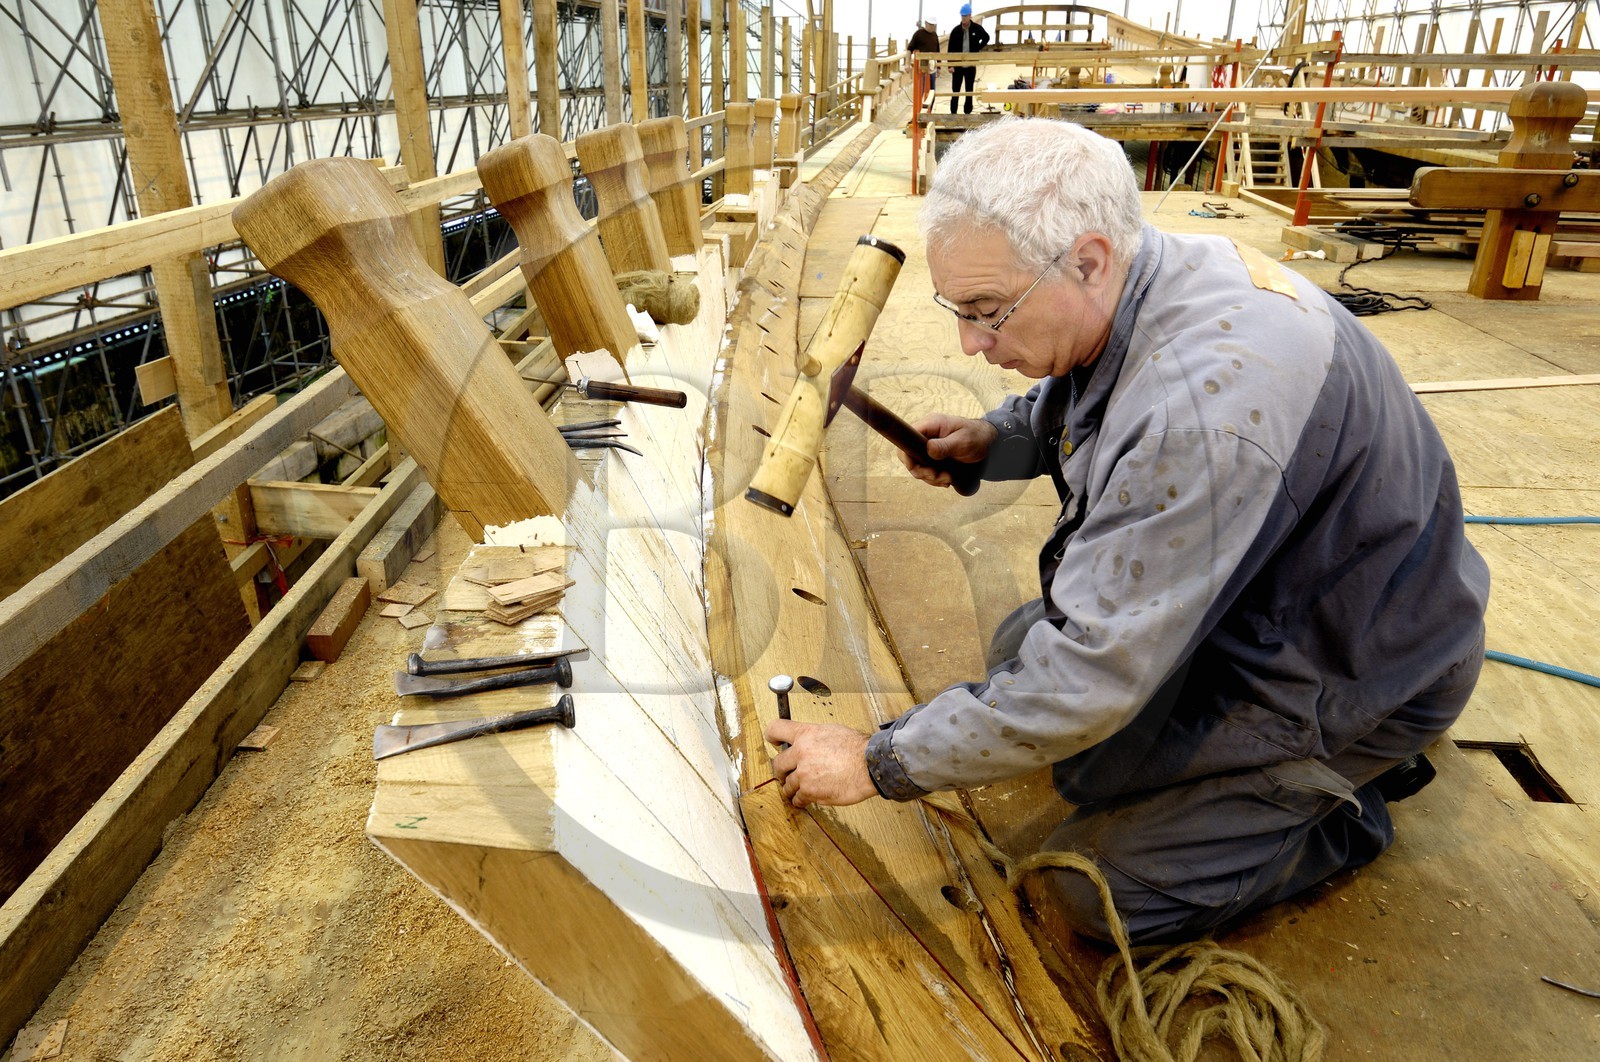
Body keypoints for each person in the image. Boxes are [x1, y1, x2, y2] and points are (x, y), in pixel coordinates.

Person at [766, 118, 1489, 946]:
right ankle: (1247, 779)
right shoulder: (1153, 273)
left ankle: (1337, 806)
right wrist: (1000, 441)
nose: (969, 341)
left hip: (1357, 665)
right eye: (958, 309)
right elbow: (1099, 383)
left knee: (1094, 893)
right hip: (1289, 595)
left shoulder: (1204, 412)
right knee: (1022, 657)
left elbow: (1086, 677)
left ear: (1090, 259)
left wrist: (875, 761)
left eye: (987, 311)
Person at [947, 4, 990, 114]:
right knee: (955, 91)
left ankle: (967, 113)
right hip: (957, 67)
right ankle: (953, 113)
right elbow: (950, 49)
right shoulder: (956, 31)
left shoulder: (976, 28)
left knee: (969, 90)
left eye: (965, 16)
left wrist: (977, 49)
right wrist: (950, 65)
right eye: (962, 16)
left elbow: (986, 37)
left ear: (970, 16)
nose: (964, 18)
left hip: (970, 65)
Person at [908, 19, 941, 96]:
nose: (932, 27)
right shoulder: (918, 34)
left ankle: (930, 107)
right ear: (926, 23)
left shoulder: (934, 35)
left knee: (932, 90)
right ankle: (920, 106)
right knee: (921, 90)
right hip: (921, 67)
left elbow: (938, 52)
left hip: (932, 67)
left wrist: (939, 67)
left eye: (934, 25)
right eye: (930, 24)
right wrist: (907, 63)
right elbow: (909, 49)